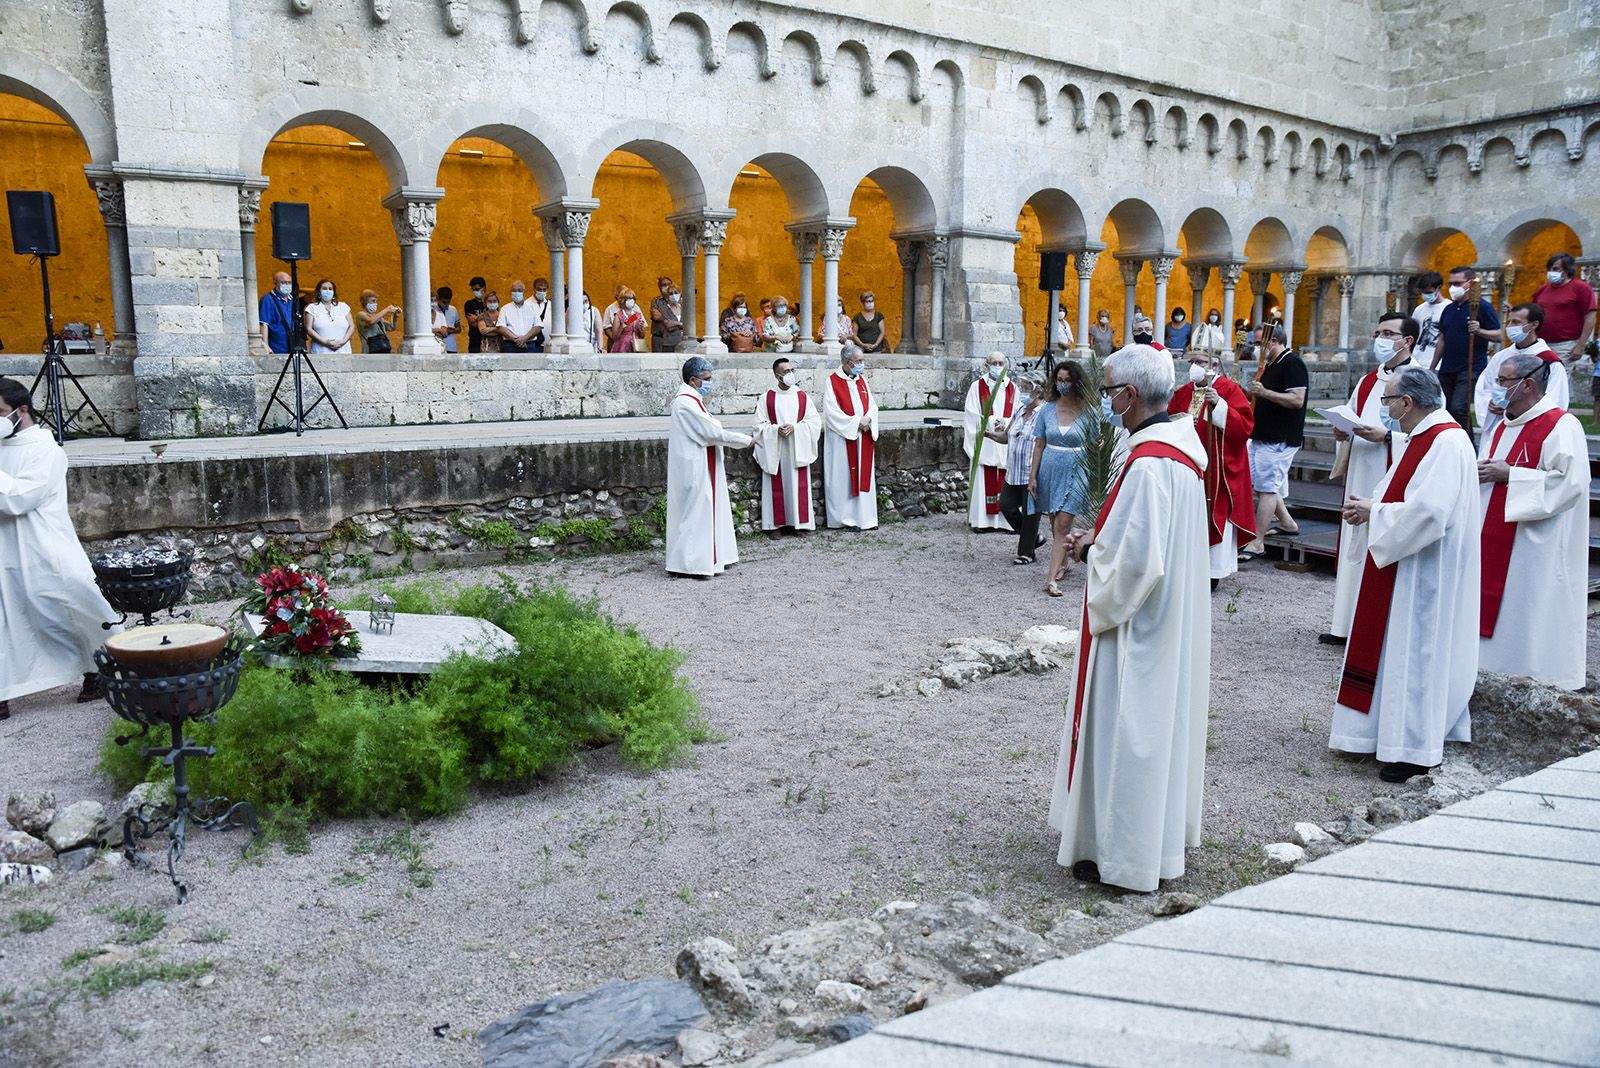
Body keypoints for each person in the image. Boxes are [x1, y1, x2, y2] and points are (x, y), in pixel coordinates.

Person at [1046, 344, 1210, 894]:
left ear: (1130, 395)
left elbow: (1136, 565)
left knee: (1129, 727)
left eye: (1109, 389)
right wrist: (1103, 537)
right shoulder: (1178, 453)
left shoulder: (1150, 463)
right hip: (1168, 617)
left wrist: (1092, 552)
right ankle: (1146, 841)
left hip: (1137, 627)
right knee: (1156, 726)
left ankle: (1122, 854)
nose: (1105, 398)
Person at [1333, 367, 1478, 783]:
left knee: (1417, 653)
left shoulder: (1445, 442)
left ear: (1407, 403)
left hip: (1424, 571)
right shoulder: (1425, 437)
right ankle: (1380, 735)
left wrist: (1374, 512)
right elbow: (1406, 493)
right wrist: (1373, 508)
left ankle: (1415, 749)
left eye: (1388, 400)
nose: (1386, 407)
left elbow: (1430, 512)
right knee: (1397, 650)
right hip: (1406, 563)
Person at [0, 378, 120, 719]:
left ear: (22, 410)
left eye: (0, 412)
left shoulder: (47, 451)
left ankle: (98, 667)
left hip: (42, 546)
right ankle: (4, 690)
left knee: (69, 608)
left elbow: (18, 499)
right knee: (7, 618)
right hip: (4, 548)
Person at [1477, 352, 1588, 690]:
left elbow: (1570, 484)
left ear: (1526, 385)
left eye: (1503, 381)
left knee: (1531, 607)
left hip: (1536, 541)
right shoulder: (1502, 426)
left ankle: (1538, 676)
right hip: (1494, 533)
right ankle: (1487, 670)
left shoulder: (1561, 424)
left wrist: (1512, 475)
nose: (1497, 388)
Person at [1323, 313, 1417, 646]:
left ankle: (1377, 631)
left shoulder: (1420, 381)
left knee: (1381, 544)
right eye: (1378, 332)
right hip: (1361, 470)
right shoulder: (1366, 382)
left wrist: (1388, 437)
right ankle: (1344, 625)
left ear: (1407, 341)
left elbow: (1429, 433)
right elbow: (1352, 417)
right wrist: (1342, 431)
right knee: (1354, 546)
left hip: (1393, 474)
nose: (1380, 339)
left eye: (1388, 334)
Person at [1168, 346, 1255, 585]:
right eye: (1192, 361)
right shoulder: (1183, 392)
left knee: (1214, 513)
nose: (1195, 366)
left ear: (1214, 365)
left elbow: (1245, 427)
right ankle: (1185, 569)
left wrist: (1220, 406)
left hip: (1218, 468)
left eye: (1200, 361)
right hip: (1187, 465)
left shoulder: (1228, 389)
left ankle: (1212, 573)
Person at [665, 357, 755, 578]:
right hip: (695, 465)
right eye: (706, 378)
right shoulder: (685, 403)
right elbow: (712, 432)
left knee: (707, 510)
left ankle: (712, 558)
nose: (709, 382)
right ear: (693, 380)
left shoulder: (692, 400)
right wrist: (746, 440)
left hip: (702, 460)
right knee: (696, 512)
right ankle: (690, 564)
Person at [1239, 324, 1306, 560]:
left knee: (1267, 489)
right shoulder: (1269, 364)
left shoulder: (1292, 363)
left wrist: (1264, 392)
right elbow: (1260, 395)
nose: (1257, 348)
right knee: (1262, 484)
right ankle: (1288, 524)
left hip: (1280, 436)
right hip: (1262, 433)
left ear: (1274, 341)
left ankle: (1257, 541)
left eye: (1259, 343)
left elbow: (1297, 399)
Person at [1030, 361, 1097, 597]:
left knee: (1062, 524)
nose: (1063, 384)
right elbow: (1039, 444)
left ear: (1076, 382)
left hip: (1077, 469)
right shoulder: (1046, 410)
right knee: (1054, 521)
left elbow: (1094, 446)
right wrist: (1032, 476)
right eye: (1059, 380)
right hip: (1049, 469)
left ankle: (1050, 580)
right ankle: (1063, 561)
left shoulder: (1089, 411)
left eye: (1068, 380)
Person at [1474, 303, 1569, 438]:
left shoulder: (1549, 362)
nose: (1510, 327)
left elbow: (1555, 400)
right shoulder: (1500, 357)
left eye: (1516, 322)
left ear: (1534, 324)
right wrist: (1490, 402)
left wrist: (1512, 407)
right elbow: (1485, 387)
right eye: (1509, 322)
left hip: (1530, 429)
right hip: (1498, 425)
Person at [752, 357, 822, 534]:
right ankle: (775, 525)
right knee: (776, 485)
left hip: (797, 448)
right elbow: (758, 426)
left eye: (792, 370)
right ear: (777, 376)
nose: (790, 374)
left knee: (798, 486)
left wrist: (796, 428)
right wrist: (775, 430)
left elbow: (814, 422)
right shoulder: (766, 398)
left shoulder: (802, 396)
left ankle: (799, 523)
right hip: (776, 450)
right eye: (786, 372)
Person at [990, 372, 1045, 564]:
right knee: (1006, 505)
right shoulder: (1020, 410)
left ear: (1038, 392)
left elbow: (1042, 444)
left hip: (1032, 472)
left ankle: (1026, 553)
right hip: (1013, 471)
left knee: (1031, 513)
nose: (1023, 391)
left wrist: (1035, 475)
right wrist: (989, 435)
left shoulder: (1044, 414)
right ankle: (1033, 538)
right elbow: (1007, 436)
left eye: (1027, 387)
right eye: (1023, 387)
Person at [822, 343, 878, 530]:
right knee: (844, 479)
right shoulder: (832, 381)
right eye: (858, 361)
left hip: (863, 437)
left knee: (863, 476)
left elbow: (872, 405)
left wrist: (868, 418)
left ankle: (865, 518)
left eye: (862, 360)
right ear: (847, 362)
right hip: (843, 439)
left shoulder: (862, 380)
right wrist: (855, 423)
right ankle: (845, 519)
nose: (861, 364)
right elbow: (831, 412)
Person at [1436, 265, 1499, 433]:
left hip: (1470, 367)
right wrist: (1433, 366)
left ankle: (1467, 442)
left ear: (1470, 283)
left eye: (1457, 283)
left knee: (1459, 407)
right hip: (1447, 367)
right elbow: (1442, 338)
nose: (1453, 287)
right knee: (1447, 410)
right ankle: (1454, 440)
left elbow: (1499, 334)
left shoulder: (1481, 307)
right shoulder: (1448, 309)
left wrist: (1479, 331)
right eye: (1450, 283)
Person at [962, 353, 1018, 533]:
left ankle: (1006, 522)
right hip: (986, 441)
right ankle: (982, 522)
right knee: (984, 476)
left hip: (1006, 441)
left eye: (1001, 363)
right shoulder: (976, 387)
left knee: (1006, 478)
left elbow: (1019, 414)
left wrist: (1006, 423)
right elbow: (971, 415)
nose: (997, 366)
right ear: (986, 365)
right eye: (994, 363)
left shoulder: (1013, 388)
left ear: (1006, 365)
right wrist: (993, 422)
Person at [1529, 252, 1595, 365]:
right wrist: (1514, 310)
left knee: (1559, 374)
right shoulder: (1543, 289)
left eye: (1555, 269)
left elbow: (1590, 317)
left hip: (1565, 345)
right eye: (1549, 269)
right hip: (1540, 343)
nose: (1551, 272)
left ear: (1567, 270)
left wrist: (1580, 345)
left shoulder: (1581, 288)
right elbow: (1532, 312)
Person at [1409, 271, 1447, 370]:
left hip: (1438, 365)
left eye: (1429, 292)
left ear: (1438, 288)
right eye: (1423, 292)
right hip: (1416, 362)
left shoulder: (1449, 308)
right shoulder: (1419, 309)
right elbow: (1413, 332)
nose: (1426, 295)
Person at [304, 279, 353, 354]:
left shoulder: (343, 306)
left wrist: (343, 342)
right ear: (319, 292)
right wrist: (326, 342)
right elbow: (308, 329)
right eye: (324, 288)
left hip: (344, 351)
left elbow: (352, 326)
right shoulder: (312, 308)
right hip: (320, 352)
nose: (328, 291)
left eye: (330, 289)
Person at [496, 280, 543, 353]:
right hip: (510, 346)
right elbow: (501, 327)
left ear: (524, 292)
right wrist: (517, 340)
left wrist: (525, 338)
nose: (516, 293)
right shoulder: (505, 308)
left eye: (519, 290)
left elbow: (538, 326)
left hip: (529, 345)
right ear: (511, 292)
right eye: (514, 290)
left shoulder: (532, 307)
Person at [259, 270, 297, 354]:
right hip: (276, 347)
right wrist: (265, 345)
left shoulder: (292, 300)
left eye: (289, 282)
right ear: (275, 282)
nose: (287, 285)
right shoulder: (268, 299)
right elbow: (263, 324)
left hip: (291, 346)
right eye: (283, 282)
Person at [356, 289, 399, 354]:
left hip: (383, 349)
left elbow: (391, 327)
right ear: (365, 301)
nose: (375, 304)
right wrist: (387, 309)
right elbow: (371, 321)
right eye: (373, 301)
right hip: (369, 351)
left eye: (376, 301)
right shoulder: (360, 314)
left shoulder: (377, 317)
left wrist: (395, 316)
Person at [605, 287, 647, 353]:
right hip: (621, 346)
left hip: (635, 346)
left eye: (632, 298)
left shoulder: (637, 315)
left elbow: (642, 336)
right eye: (628, 299)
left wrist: (641, 329)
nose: (631, 301)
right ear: (622, 300)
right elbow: (614, 337)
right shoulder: (618, 315)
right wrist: (621, 327)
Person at [651, 278, 684, 353]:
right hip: (660, 337)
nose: (667, 286)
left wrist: (675, 323)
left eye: (669, 284)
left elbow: (688, 324)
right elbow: (658, 317)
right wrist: (680, 325)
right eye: (664, 285)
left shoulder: (681, 304)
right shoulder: (657, 301)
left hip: (679, 339)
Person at [432, 287, 461, 353]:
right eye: (444, 302)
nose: (446, 305)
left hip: (451, 346)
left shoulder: (453, 309)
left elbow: (459, 329)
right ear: (438, 299)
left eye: (448, 302)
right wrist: (439, 330)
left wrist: (451, 330)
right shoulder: (433, 310)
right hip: (436, 346)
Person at [464, 276, 487, 353]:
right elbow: (472, 323)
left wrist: (477, 318)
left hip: (490, 342)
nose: (475, 291)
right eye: (473, 290)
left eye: (477, 289)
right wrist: (487, 319)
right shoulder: (469, 304)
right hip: (475, 342)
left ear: (484, 288)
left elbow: (494, 322)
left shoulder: (491, 302)